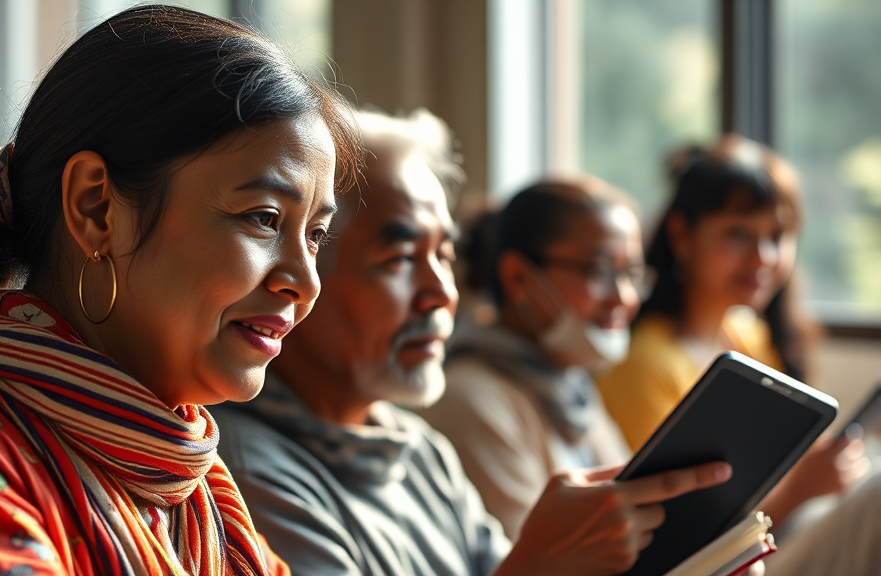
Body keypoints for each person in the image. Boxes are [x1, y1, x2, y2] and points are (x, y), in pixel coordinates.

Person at [0, 5, 361, 574]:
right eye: (264, 218)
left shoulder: (194, 487)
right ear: (95, 207)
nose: (305, 282)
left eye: (315, 234)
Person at [209, 109, 732, 576]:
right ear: (299, 274)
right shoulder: (245, 474)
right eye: (400, 259)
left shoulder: (420, 451)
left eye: (444, 255)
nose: (442, 292)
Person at [596, 135, 881, 575]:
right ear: (681, 235)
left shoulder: (744, 332)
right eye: (737, 234)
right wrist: (799, 491)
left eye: (777, 236)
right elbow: (673, 541)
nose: (762, 257)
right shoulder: (646, 363)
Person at [420, 178, 640, 540]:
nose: (623, 296)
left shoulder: (571, 386)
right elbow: (534, 556)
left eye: (631, 273)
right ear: (518, 277)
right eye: (599, 271)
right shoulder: (471, 398)